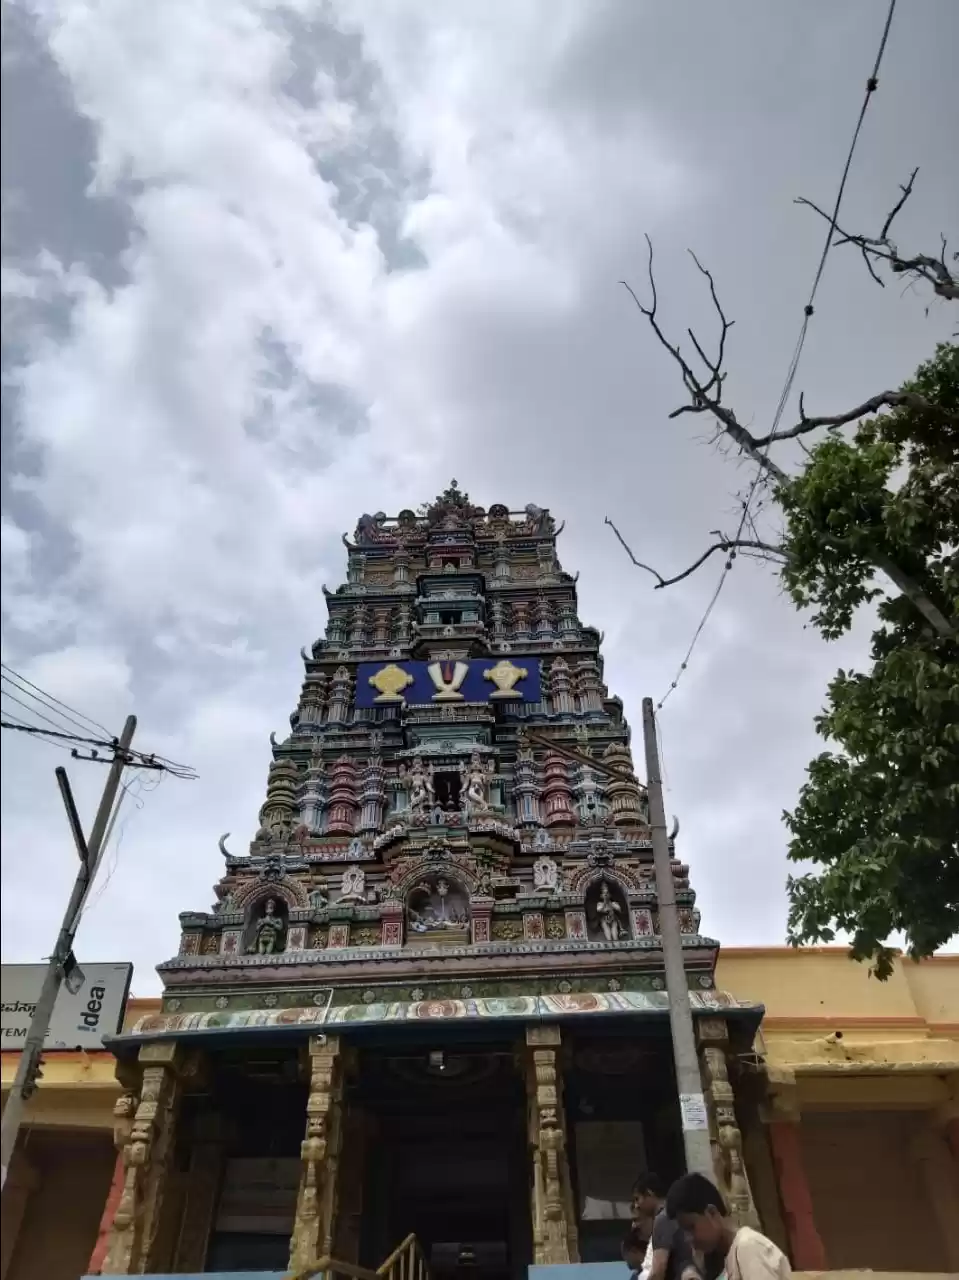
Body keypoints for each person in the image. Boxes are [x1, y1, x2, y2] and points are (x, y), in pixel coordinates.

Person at [665, 1174, 791, 1280]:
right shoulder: (723, 1258)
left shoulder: (748, 1247)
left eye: (691, 1227)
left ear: (711, 1213)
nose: (688, 1238)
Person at [632, 1172, 699, 1280]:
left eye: (637, 1199)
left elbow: (658, 1271)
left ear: (649, 1193)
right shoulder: (678, 1213)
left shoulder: (663, 1219)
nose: (636, 1206)